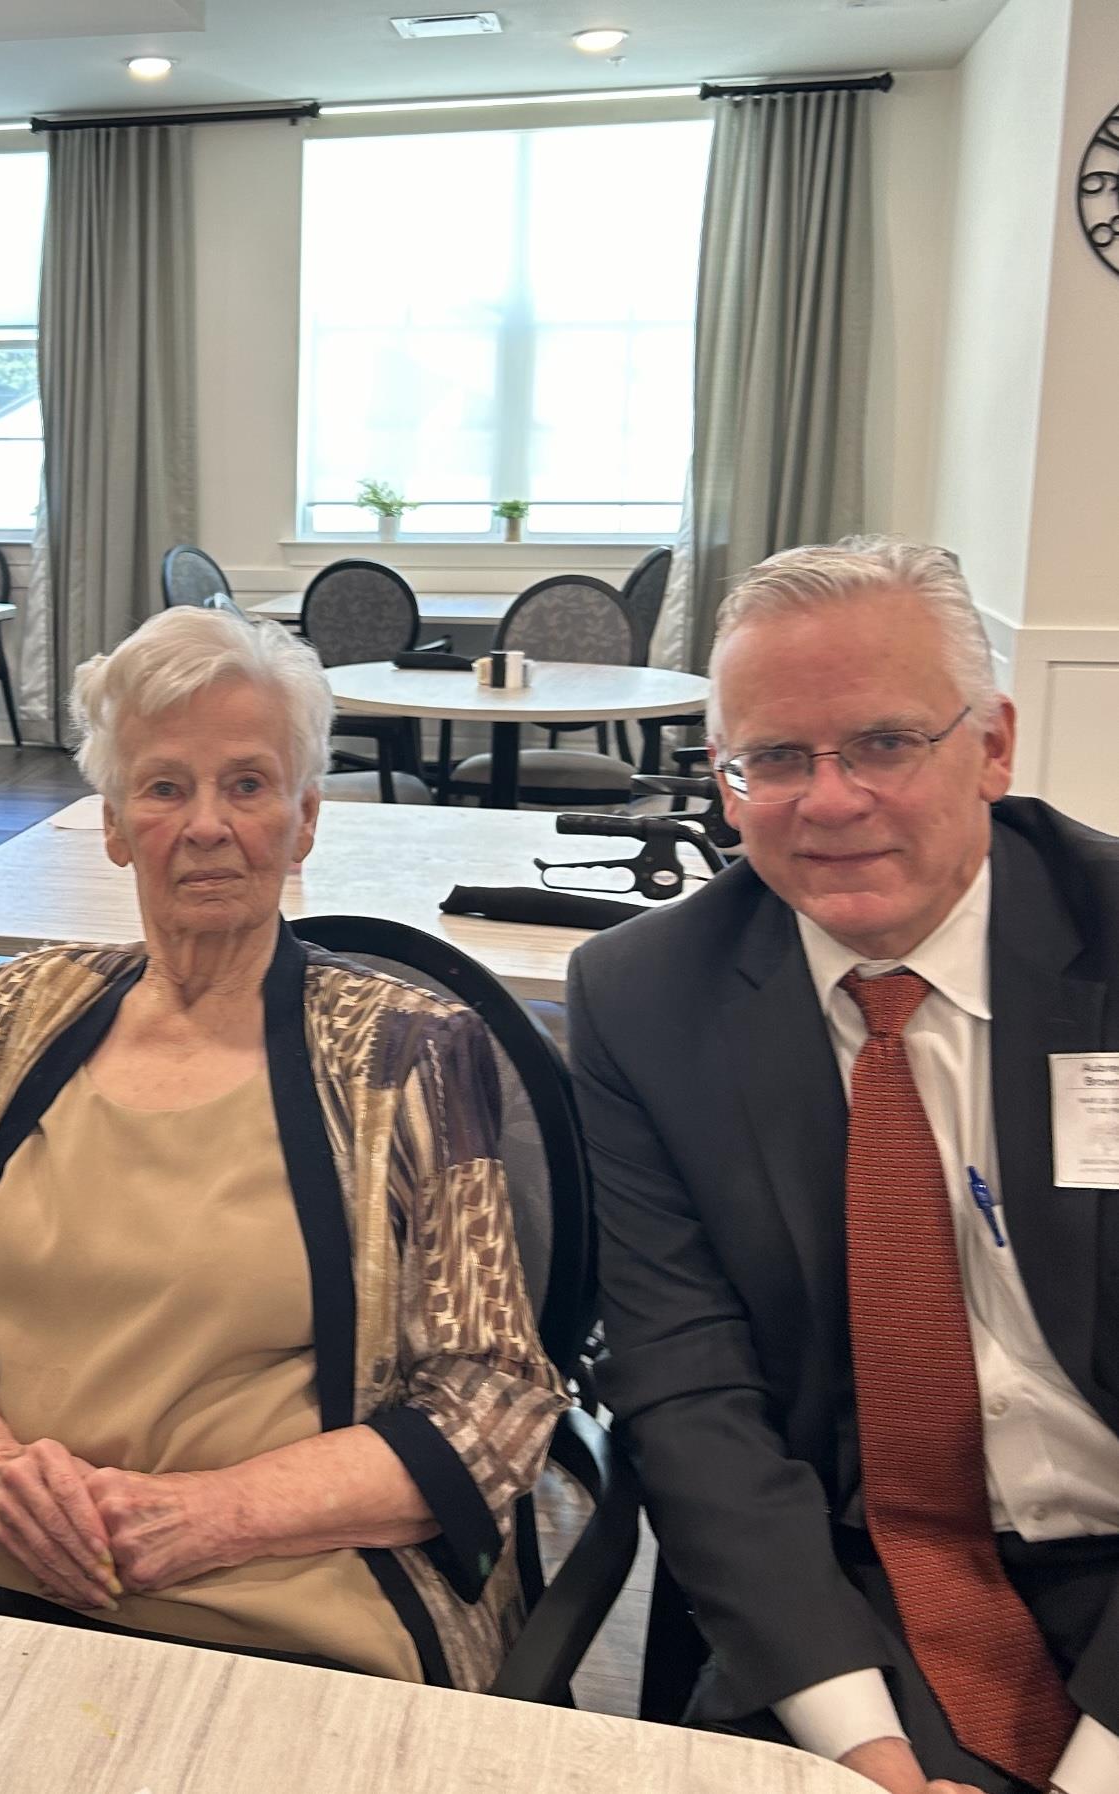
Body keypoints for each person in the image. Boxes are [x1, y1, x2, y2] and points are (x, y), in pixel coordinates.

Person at [567, 538, 1119, 1794]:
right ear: (724, 783)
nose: (828, 800)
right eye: (775, 758)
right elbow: (687, 1389)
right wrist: (861, 1751)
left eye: (883, 743)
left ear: (992, 747)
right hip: (861, 1578)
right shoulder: (648, 1001)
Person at [0, 605, 565, 1690]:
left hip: (285, 1612)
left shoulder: (408, 1054)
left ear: (306, 818)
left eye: (247, 783)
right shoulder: (19, 1010)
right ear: (112, 822)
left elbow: (494, 1400)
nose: (206, 824)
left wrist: (208, 1517)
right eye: (164, 785)